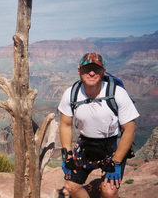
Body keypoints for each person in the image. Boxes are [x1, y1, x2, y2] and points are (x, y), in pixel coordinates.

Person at [58, 52, 139, 198]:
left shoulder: (117, 93)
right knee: (70, 187)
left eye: (96, 69)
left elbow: (129, 129)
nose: (91, 73)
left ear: (103, 71)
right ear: (79, 71)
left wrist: (116, 161)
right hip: (85, 144)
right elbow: (65, 125)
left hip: (111, 146)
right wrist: (66, 156)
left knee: (109, 191)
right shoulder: (71, 94)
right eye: (87, 68)